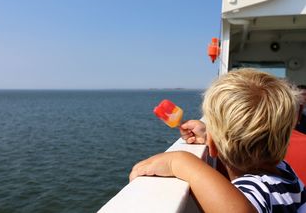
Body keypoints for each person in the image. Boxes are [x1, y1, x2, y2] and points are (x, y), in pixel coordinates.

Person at [129, 68, 306, 213]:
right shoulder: (284, 174)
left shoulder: (257, 189)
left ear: (212, 146)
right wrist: (210, 134)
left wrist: (181, 162)